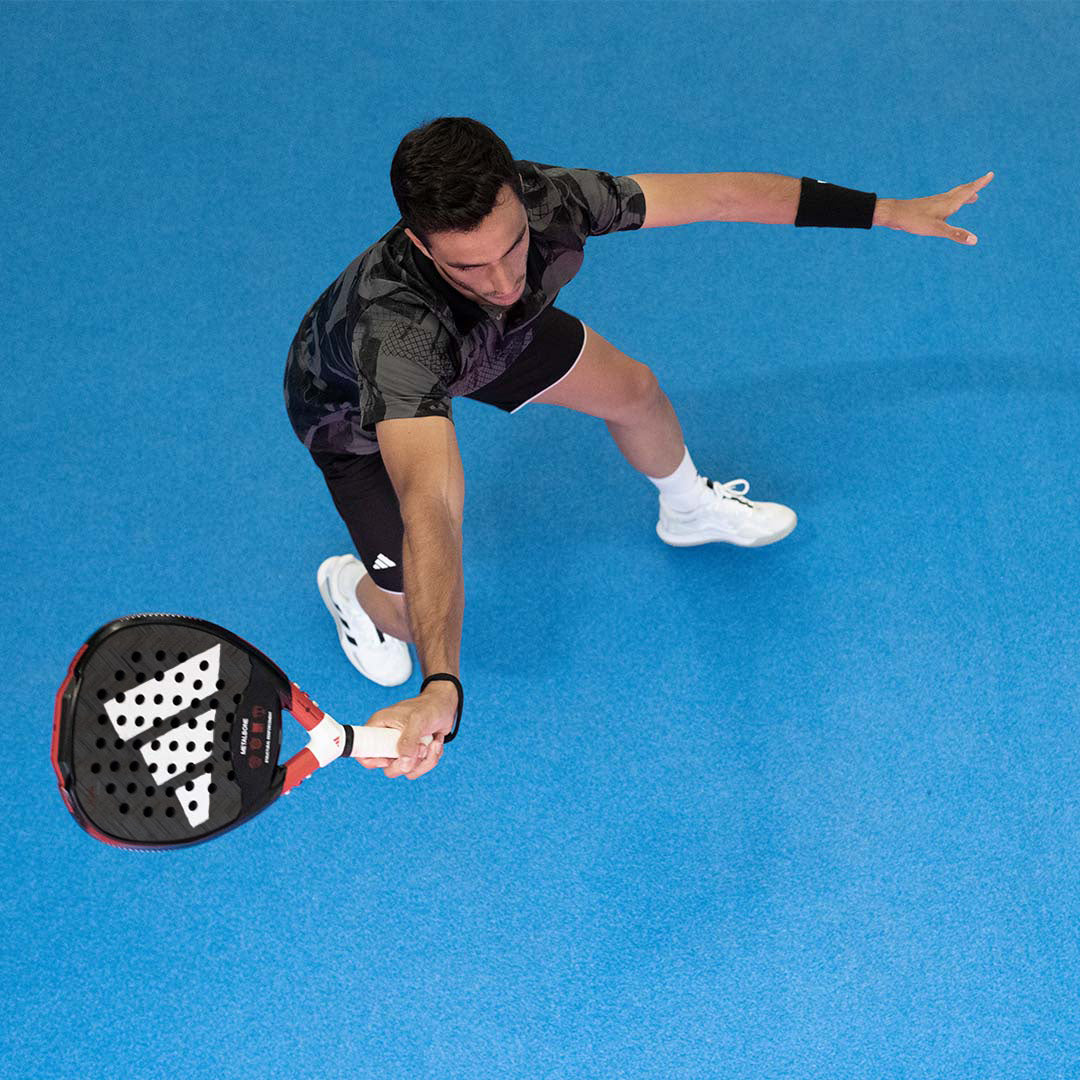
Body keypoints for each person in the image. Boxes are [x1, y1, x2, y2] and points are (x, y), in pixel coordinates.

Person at [284, 115, 992, 781]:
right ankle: (351, 589)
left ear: (521, 202)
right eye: (469, 267)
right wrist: (442, 684)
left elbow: (721, 195)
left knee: (635, 392)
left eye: (512, 248)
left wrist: (889, 211)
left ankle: (687, 510)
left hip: (488, 345)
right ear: (419, 245)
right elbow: (432, 506)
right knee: (408, 610)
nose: (502, 282)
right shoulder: (398, 332)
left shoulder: (555, 198)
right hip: (355, 417)